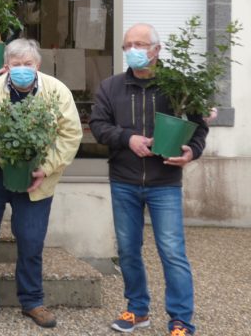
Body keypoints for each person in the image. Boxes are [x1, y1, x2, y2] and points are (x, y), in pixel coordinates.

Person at [89, 23, 208, 336]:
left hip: (164, 181)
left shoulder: (179, 87)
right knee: (128, 250)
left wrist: (191, 153)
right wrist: (128, 138)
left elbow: (199, 128)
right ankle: (137, 310)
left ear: (157, 49)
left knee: (172, 252)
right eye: (128, 45)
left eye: (140, 44)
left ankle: (181, 319)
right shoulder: (110, 87)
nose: (133, 50)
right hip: (124, 180)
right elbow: (99, 126)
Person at [0, 38, 82, 328]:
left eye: (27, 64)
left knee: (31, 239)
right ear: (6, 66)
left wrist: (45, 167)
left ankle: (32, 300)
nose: (21, 70)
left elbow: (70, 135)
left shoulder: (57, 91)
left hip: (36, 176)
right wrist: (6, 155)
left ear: (37, 65)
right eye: (15, 65)